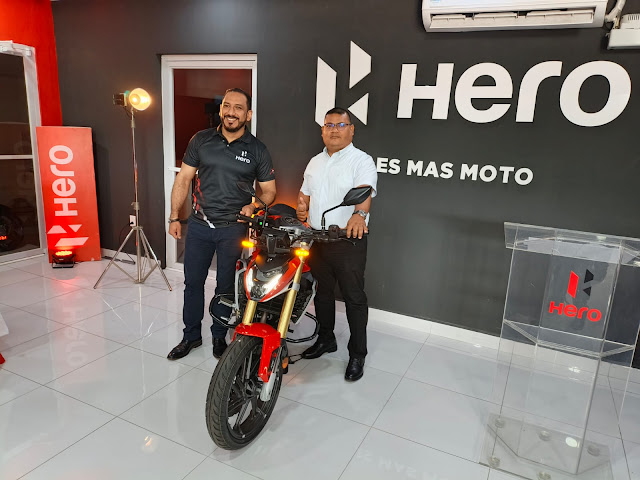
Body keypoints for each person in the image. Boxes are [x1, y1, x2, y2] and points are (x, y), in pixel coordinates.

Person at [167, 88, 276, 360]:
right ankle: (191, 336)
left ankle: (219, 336)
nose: (231, 112)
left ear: (248, 114)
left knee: (226, 286)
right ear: (220, 110)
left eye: (238, 108)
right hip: (199, 226)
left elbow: (269, 191)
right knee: (193, 283)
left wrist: (254, 206)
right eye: (227, 106)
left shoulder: (257, 150)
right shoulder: (201, 140)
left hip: (233, 228)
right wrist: (174, 216)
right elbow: (183, 179)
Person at [296, 107, 377, 381]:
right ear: (322, 130)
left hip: (347, 240)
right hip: (317, 239)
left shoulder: (361, 160)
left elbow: (364, 193)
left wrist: (359, 215)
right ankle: (326, 339)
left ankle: (358, 354)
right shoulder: (314, 162)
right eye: (329, 125)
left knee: (354, 298)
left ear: (351, 130)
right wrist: (301, 207)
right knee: (322, 293)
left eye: (341, 125)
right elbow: (304, 195)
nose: (334, 130)